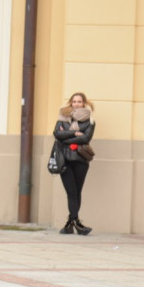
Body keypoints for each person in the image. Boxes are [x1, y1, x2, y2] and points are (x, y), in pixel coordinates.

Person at [54, 92, 96, 235]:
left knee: (77, 192)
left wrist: (66, 136)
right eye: (74, 101)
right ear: (71, 103)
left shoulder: (90, 120)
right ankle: (75, 224)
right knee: (71, 192)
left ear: (84, 103)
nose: (76, 104)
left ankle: (70, 224)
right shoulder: (63, 117)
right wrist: (74, 134)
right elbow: (56, 134)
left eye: (79, 101)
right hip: (64, 160)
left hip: (81, 160)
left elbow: (85, 138)